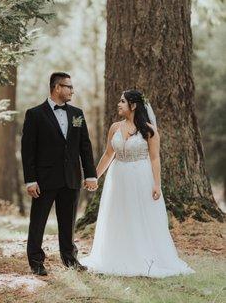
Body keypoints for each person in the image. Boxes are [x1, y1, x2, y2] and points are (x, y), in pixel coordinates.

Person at [80, 89, 195, 277]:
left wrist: (157, 184)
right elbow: (109, 154)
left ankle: (143, 257)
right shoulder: (115, 127)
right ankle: (116, 255)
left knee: (139, 214)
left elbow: (155, 158)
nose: (118, 104)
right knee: (118, 214)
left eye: (122, 101)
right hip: (118, 177)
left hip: (140, 176)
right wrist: (95, 177)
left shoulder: (149, 130)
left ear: (133, 105)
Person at [21, 72, 98, 276]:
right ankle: (36, 262)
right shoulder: (35, 114)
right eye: (68, 87)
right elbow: (28, 151)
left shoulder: (77, 114)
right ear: (56, 88)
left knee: (68, 222)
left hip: (71, 178)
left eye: (72, 87)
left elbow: (85, 146)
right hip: (44, 180)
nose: (72, 90)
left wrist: (90, 175)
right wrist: (30, 180)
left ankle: (70, 259)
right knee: (38, 222)